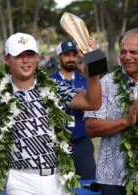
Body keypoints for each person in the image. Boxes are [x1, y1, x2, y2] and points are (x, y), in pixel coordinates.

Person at [0, 32, 107, 195]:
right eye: (19, 55)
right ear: (7, 59)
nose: (25, 60)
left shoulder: (55, 87)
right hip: (20, 179)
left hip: (56, 178)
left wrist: (93, 62)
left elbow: (93, 102)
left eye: (30, 54)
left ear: (37, 57)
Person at [84, 28, 138, 195]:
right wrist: (126, 121)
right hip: (111, 179)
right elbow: (90, 128)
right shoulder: (106, 83)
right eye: (123, 52)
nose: (127, 57)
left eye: (133, 52)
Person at [50, 40, 96, 179]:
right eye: (66, 55)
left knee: (89, 183)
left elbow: (96, 107)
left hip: (82, 141)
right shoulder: (49, 81)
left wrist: (87, 109)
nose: (71, 58)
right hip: (56, 145)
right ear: (59, 57)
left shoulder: (85, 81)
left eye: (74, 55)